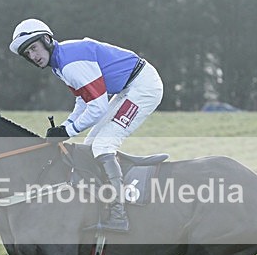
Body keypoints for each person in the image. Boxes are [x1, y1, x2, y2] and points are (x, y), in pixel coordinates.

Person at [9, 18, 163, 232]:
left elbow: (97, 108)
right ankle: (104, 201)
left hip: (143, 87)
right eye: (28, 54)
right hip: (127, 88)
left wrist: (67, 131)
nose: (33, 56)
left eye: (34, 48)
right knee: (91, 145)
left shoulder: (70, 64)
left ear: (47, 40)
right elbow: (84, 100)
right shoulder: (60, 64)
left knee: (103, 146)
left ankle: (120, 215)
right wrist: (65, 126)